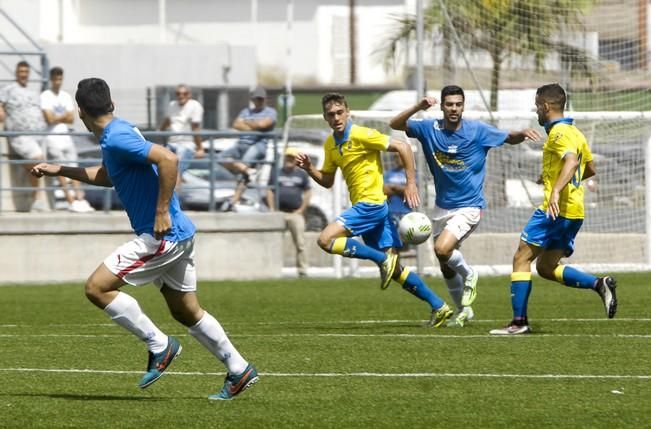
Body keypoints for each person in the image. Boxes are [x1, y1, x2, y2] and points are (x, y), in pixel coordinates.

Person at [30, 78, 258, 400]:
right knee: (186, 311)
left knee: (97, 287)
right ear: (111, 104)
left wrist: (161, 211)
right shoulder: (118, 133)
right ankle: (239, 369)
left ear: (80, 112)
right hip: (178, 234)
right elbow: (110, 176)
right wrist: (60, 170)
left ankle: (159, 345)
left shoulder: (118, 137)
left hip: (161, 236)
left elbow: (169, 159)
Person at [295, 92, 453, 327]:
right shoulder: (330, 144)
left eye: (340, 112)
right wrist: (309, 168)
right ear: (325, 118)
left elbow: (403, 147)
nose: (336, 117)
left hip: (372, 205)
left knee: (326, 240)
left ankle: (381, 259)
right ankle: (439, 306)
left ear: (347, 112)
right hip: (369, 209)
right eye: (331, 114)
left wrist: (410, 183)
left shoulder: (361, 134)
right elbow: (327, 180)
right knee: (396, 269)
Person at [389, 85, 541, 327]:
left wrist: (522, 133)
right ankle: (464, 310)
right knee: (445, 263)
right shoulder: (430, 128)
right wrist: (419, 107)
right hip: (442, 207)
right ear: (442, 106)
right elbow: (395, 124)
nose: (454, 109)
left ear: (463, 106)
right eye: (449, 104)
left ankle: (470, 274)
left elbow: (507, 137)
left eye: (458, 104)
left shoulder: (477, 130)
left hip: (470, 206)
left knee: (441, 249)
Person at [489, 83, 617, 335]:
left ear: (546, 106)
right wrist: (550, 177)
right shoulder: (575, 132)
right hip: (574, 212)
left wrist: (556, 189)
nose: (536, 111)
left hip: (555, 210)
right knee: (546, 267)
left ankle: (518, 322)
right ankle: (599, 284)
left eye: (537, 106)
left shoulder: (559, 134)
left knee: (521, 258)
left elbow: (570, 161)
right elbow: (588, 169)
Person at [41, 66, 94, 213]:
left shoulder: (65, 96)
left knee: (74, 166)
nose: (58, 82)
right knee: (59, 169)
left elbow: (71, 118)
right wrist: (62, 117)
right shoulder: (45, 95)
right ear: (51, 79)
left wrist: (57, 117)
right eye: (56, 79)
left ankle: (80, 199)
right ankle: (70, 201)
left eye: (60, 79)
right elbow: (48, 118)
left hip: (66, 137)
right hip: (52, 138)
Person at [0, 61, 49, 211]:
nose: (23, 74)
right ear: (16, 73)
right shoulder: (8, 89)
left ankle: (22, 164)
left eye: (26, 72)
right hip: (20, 135)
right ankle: (37, 198)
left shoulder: (33, 92)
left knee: (50, 162)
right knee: (38, 159)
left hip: (38, 134)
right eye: (21, 71)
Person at [221, 86, 277, 210]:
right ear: (252, 99)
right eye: (257, 99)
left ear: (265, 99)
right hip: (241, 143)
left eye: (261, 99)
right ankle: (248, 171)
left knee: (244, 166)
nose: (259, 101)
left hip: (259, 144)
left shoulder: (271, 112)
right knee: (220, 157)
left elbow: (262, 124)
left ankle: (234, 200)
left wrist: (247, 123)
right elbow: (236, 124)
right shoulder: (246, 110)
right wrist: (255, 126)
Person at [267, 147, 312, 277]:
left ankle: (302, 270)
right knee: (273, 243)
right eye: (288, 157)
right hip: (279, 212)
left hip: (295, 213)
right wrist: (272, 209)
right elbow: (270, 190)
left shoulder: (301, 174)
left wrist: (301, 210)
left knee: (300, 243)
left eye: (292, 158)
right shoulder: (276, 173)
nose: (289, 160)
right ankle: (272, 270)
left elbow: (308, 192)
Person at [158, 84, 205, 185]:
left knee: (176, 173)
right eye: (178, 94)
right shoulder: (172, 105)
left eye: (185, 93)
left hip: (186, 143)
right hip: (171, 143)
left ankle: (173, 199)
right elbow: (168, 120)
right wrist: (160, 130)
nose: (181, 96)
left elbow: (195, 127)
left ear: (189, 95)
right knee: (163, 170)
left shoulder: (194, 105)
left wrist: (200, 148)